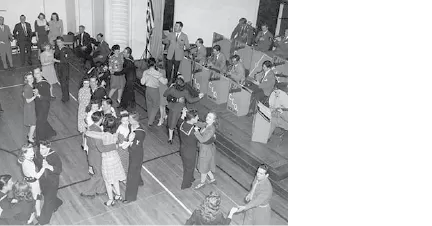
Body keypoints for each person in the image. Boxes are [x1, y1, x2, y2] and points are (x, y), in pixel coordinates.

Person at [85, 115, 125, 206]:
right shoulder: (115, 135)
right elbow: (121, 139)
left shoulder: (103, 136)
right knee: (115, 178)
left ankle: (111, 199)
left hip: (107, 160)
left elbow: (89, 134)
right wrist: (116, 145)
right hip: (115, 157)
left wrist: (88, 131)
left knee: (107, 181)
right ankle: (118, 195)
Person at [163, 76, 204, 144]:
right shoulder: (185, 92)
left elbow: (165, 94)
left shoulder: (172, 89)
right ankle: (180, 136)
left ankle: (170, 138)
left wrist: (170, 87)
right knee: (178, 123)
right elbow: (191, 100)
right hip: (180, 109)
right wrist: (199, 97)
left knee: (171, 123)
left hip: (172, 107)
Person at [33, 140, 63, 226]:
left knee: (47, 202)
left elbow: (59, 170)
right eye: (40, 148)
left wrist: (48, 166)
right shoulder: (39, 154)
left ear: (48, 148)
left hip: (52, 182)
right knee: (48, 196)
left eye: (43, 148)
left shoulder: (54, 156)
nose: (41, 150)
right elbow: (36, 162)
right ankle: (57, 202)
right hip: (42, 181)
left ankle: (43, 221)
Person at [80, 111, 108, 199]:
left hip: (92, 154)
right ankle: (87, 191)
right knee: (98, 175)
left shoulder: (90, 128)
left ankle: (101, 190)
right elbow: (100, 147)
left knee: (100, 173)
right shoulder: (97, 131)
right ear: (101, 119)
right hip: (97, 156)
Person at [18, 144, 46, 220]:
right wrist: (44, 168)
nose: (32, 153)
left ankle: (34, 213)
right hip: (33, 184)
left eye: (32, 151)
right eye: (30, 152)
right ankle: (36, 214)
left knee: (32, 198)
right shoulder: (29, 164)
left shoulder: (23, 159)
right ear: (24, 153)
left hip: (27, 181)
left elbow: (19, 161)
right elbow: (36, 176)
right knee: (36, 198)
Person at [123, 111, 146, 204]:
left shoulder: (140, 133)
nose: (128, 120)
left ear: (135, 121)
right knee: (135, 170)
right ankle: (139, 181)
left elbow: (135, 146)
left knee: (131, 175)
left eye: (130, 119)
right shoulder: (130, 126)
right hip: (131, 152)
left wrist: (128, 141)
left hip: (136, 154)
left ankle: (130, 197)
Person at [193, 112, 218, 190]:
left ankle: (202, 183)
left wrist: (196, 131)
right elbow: (201, 124)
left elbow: (202, 140)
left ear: (214, 120)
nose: (207, 118)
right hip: (206, 149)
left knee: (203, 168)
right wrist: (192, 120)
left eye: (210, 117)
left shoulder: (210, 129)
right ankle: (212, 179)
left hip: (206, 150)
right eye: (207, 116)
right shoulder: (208, 125)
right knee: (206, 165)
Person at [141, 57, 168, 126]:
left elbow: (142, 82)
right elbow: (164, 82)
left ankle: (150, 118)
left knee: (149, 105)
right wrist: (167, 80)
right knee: (155, 106)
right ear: (155, 64)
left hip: (147, 90)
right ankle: (150, 121)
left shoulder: (145, 72)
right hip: (155, 90)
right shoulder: (157, 73)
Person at [177, 108, 200, 189]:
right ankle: (185, 184)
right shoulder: (193, 132)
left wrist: (183, 114)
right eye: (197, 117)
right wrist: (198, 132)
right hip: (190, 153)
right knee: (188, 169)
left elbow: (180, 120)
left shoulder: (182, 124)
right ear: (192, 119)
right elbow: (201, 139)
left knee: (188, 166)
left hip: (183, 149)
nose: (198, 118)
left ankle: (191, 178)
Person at [34, 68, 57, 142]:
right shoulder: (37, 82)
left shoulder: (44, 84)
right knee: (42, 120)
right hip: (38, 104)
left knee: (40, 121)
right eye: (35, 73)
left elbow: (48, 97)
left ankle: (41, 138)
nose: (36, 75)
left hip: (44, 105)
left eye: (37, 73)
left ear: (41, 73)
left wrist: (38, 95)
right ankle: (51, 132)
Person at [54, 36, 73, 102]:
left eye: (59, 42)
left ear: (62, 42)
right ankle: (64, 96)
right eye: (57, 42)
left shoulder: (66, 50)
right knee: (62, 82)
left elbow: (66, 60)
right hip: (58, 67)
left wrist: (56, 61)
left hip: (64, 68)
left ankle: (66, 97)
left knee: (64, 82)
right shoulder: (57, 49)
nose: (58, 43)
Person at [78, 77, 92, 152]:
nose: (86, 84)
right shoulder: (81, 90)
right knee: (84, 128)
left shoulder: (91, 90)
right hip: (83, 110)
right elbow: (81, 100)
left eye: (87, 83)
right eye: (84, 83)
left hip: (89, 109)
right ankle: (84, 143)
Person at [23, 72, 37, 143]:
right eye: (29, 78)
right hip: (29, 107)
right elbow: (28, 100)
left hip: (31, 106)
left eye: (32, 77)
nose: (31, 79)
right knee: (33, 123)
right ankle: (30, 138)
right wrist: (35, 96)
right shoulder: (27, 88)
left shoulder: (31, 85)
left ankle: (29, 134)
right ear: (26, 79)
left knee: (32, 122)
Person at [116, 111, 130, 177]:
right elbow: (121, 142)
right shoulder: (121, 129)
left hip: (126, 147)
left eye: (127, 120)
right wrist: (129, 140)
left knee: (125, 162)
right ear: (121, 121)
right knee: (123, 163)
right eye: (124, 120)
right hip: (122, 148)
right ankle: (123, 177)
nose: (126, 122)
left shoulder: (127, 125)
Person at [157, 59, 168, 126]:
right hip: (162, 89)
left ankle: (161, 119)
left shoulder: (160, 73)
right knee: (162, 105)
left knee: (161, 105)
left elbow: (164, 81)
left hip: (162, 90)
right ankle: (164, 115)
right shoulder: (163, 71)